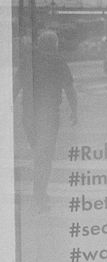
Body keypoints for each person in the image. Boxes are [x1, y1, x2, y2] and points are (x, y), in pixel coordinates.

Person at [15, 29, 77, 210]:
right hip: (49, 116)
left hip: (29, 115)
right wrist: (75, 111)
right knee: (45, 156)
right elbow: (70, 89)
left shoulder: (28, 61)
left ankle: (40, 193)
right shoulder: (59, 62)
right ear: (55, 44)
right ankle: (39, 196)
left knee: (39, 153)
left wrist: (8, 107)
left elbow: (16, 84)